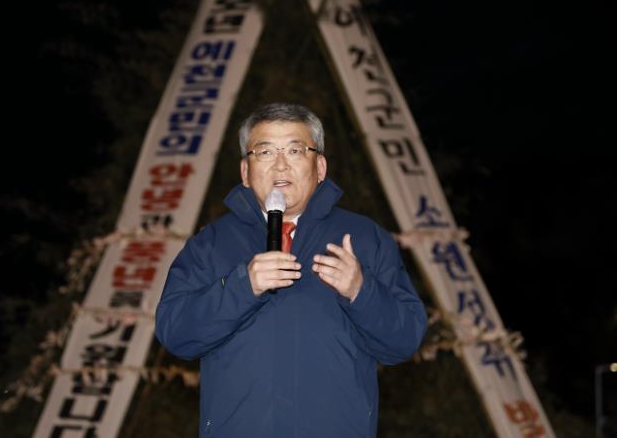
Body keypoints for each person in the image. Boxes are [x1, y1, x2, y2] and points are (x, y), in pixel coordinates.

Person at [155, 103, 427, 438]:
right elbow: (176, 334)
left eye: (296, 150)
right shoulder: (210, 244)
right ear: (245, 171)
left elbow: (404, 341)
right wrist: (241, 286)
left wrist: (362, 290)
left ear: (320, 167)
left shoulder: (366, 239)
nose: (280, 164)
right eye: (265, 152)